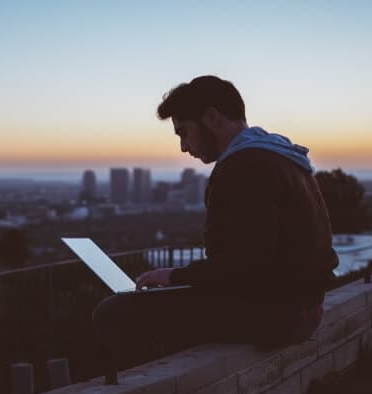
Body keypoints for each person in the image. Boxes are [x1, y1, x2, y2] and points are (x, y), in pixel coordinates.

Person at [92, 75, 339, 370]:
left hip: (276, 315)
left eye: (184, 132)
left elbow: (246, 266)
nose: (184, 147)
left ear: (211, 117)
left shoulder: (245, 166)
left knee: (114, 313)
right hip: (303, 310)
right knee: (168, 307)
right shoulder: (283, 157)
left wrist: (173, 278)